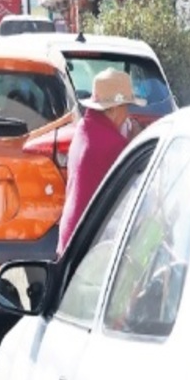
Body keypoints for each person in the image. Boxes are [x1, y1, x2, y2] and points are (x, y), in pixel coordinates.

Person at [57, 68, 145, 253]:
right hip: (88, 249)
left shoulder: (85, 128)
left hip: (71, 240)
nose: (128, 114)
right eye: (125, 107)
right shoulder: (112, 145)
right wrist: (134, 144)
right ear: (113, 109)